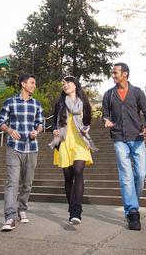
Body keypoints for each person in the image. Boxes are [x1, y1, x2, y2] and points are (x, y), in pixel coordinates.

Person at [102, 62, 146, 231]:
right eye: (112, 72)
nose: (113, 75)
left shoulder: (137, 92)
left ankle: (133, 202)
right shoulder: (109, 94)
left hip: (137, 138)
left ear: (125, 74)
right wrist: (106, 120)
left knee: (141, 174)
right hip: (119, 138)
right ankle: (132, 212)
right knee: (126, 176)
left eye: (115, 72)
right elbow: (105, 113)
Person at [0, 74, 44, 231]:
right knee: (12, 182)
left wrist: (37, 131)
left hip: (32, 148)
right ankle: (10, 217)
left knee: (27, 183)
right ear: (23, 84)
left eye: (34, 83)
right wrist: (9, 130)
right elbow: (1, 122)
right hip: (14, 147)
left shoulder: (36, 104)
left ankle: (22, 208)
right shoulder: (10, 102)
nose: (34, 85)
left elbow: (41, 123)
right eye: (32, 83)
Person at [48, 76, 98, 225]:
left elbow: (88, 120)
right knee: (68, 177)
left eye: (68, 82)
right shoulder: (60, 103)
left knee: (78, 171)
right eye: (63, 83)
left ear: (75, 85)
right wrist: (54, 130)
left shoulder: (84, 103)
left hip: (80, 141)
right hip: (64, 141)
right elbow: (54, 122)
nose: (65, 85)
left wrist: (87, 127)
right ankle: (71, 208)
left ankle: (77, 211)